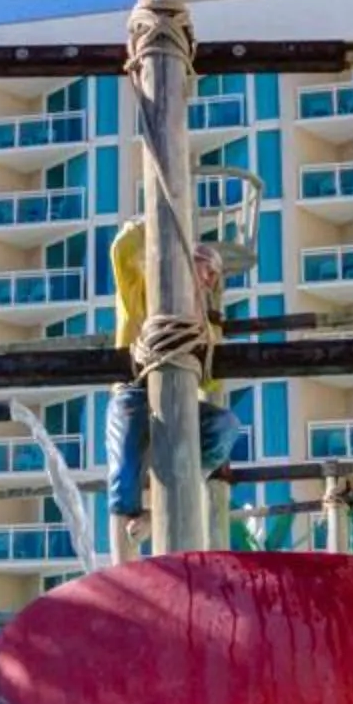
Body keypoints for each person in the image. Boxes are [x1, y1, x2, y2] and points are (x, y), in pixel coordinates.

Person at [102, 216, 249, 521]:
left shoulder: (204, 327)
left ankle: (187, 487)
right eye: (205, 268)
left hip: (176, 395)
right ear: (184, 262)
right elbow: (122, 253)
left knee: (225, 426)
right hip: (133, 389)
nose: (208, 278)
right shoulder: (143, 291)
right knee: (124, 466)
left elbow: (208, 382)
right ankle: (127, 518)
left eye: (214, 274)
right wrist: (148, 224)